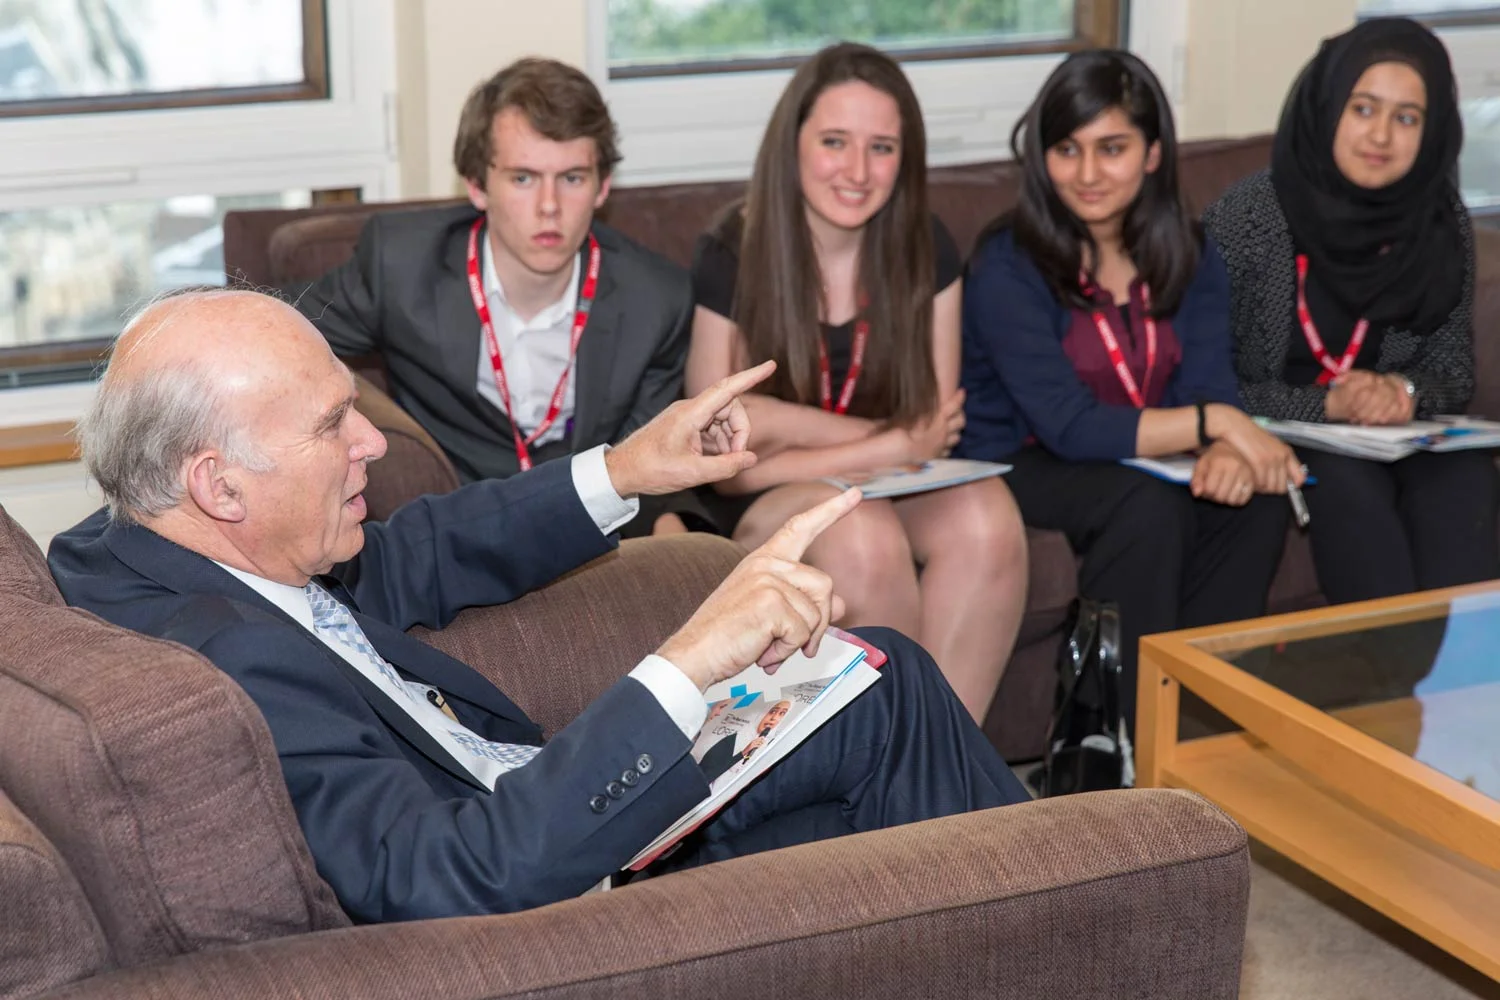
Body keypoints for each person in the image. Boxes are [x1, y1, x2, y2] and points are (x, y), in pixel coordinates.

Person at [47, 289, 1028, 923]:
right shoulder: (223, 668)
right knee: (904, 752)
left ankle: (1051, 912)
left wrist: (632, 466)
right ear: (219, 484)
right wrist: (689, 662)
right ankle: (1086, 905)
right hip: (563, 886)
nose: (371, 445)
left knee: (880, 682)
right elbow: (452, 877)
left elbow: (417, 553)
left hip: (542, 797)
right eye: (332, 424)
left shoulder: (138, 547)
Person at [687, 42, 1029, 722]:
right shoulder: (733, 249)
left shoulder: (926, 245)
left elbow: (929, 429)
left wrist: (781, 421)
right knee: (862, 534)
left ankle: (944, 785)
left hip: (889, 483)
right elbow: (723, 465)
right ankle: (887, 783)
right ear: (794, 145)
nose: (857, 170)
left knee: (989, 518)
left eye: (881, 148)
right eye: (835, 142)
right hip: (767, 504)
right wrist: (880, 443)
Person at [958, 50, 1299, 722]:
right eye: (1066, 149)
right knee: (1145, 506)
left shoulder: (1190, 251)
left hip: (1140, 451)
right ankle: (1113, 740)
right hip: (1021, 459)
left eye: (1111, 148)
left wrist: (1228, 449)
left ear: (1151, 154)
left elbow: (1207, 382)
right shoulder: (1008, 262)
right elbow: (1069, 424)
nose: (1086, 174)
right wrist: (1217, 426)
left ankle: (1202, 727)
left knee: (1255, 500)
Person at [294, 58, 707, 537]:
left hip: (597, 526)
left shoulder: (657, 299)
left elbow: (647, 454)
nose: (549, 207)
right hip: (455, 529)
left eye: (572, 178)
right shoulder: (402, 267)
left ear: (603, 186)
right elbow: (274, 329)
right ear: (476, 184)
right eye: (523, 178)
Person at [1203, 17, 1499, 604]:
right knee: (1349, 491)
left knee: (1464, 483)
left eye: (1406, 118)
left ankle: (1473, 689)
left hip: (1397, 435)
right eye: (1363, 109)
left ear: (1433, 127)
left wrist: (1404, 393)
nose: (1381, 137)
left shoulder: (1439, 222)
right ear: (1329, 105)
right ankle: (1388, 690)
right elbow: (1213, 388)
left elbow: (1452, 372)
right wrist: (1326, 403)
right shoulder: (1249, 220)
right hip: (1291, 434)